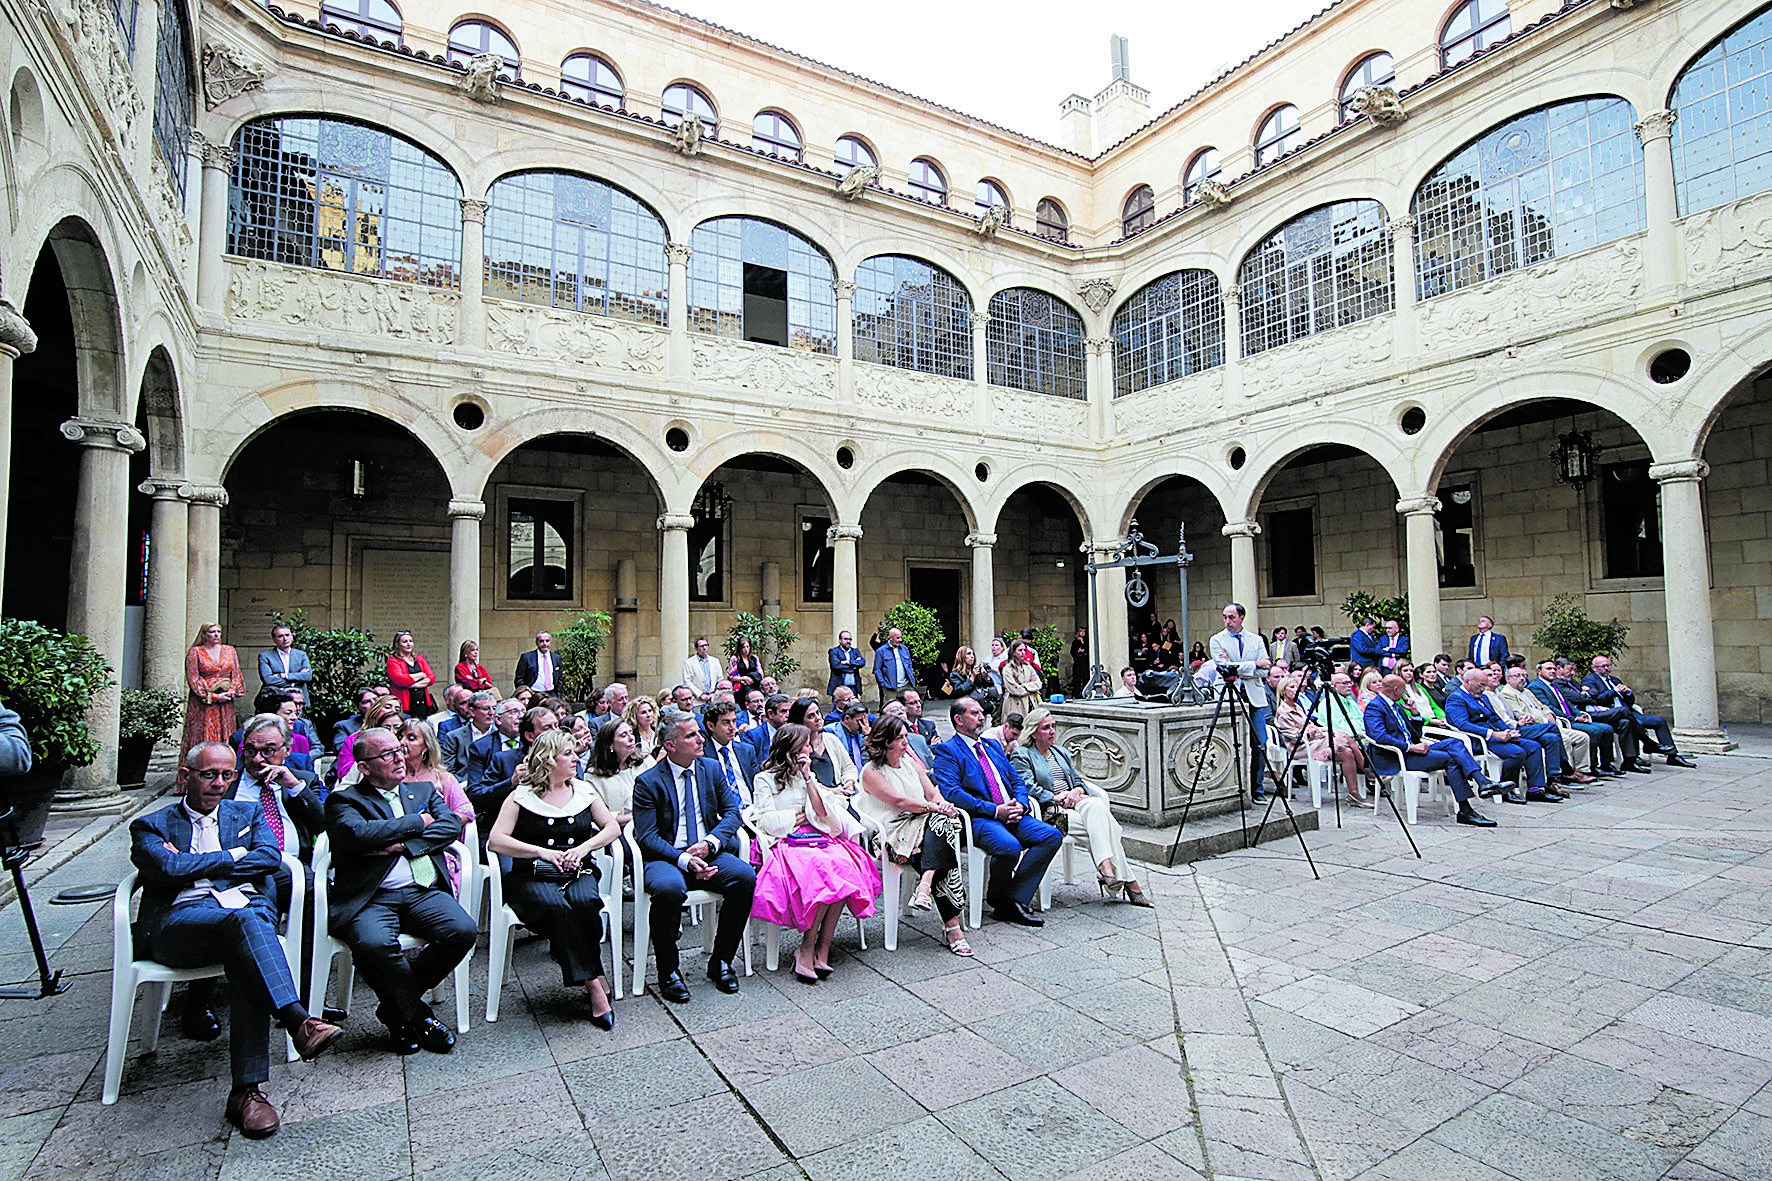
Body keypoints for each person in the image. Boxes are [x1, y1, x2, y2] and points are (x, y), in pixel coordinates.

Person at [129, 744, 341, 1138]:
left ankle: (247, 1093)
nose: (220, 783)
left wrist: (193, 864)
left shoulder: (248, 812)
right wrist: (231, 856)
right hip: (180, 926)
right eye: (210, 774)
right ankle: (297, 1020)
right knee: (246, 926)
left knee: (245, 953)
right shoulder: (151, 825)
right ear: (187, 774)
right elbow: (166, 866)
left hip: (239, 919)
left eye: (227, 775)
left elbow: (267, 858)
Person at [323, 727, 476, 1056]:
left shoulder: (421, 790)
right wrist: (419, 823)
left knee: (462, 930)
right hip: (370, 898)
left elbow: (450, 825)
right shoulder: (344, 800)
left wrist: (400, 844)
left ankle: (394, 1009)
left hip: (421, 889)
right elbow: (358, 833)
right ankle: (413, 1016)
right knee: (375, 944)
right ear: (364, 767)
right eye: (387, 754)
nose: (399, 757)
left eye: (399, 750)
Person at [486, 729, 622, 1027]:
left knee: (585, 901)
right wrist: (540, 852)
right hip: (532, 876)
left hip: (579, 871)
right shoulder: (520, 796)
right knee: (557, 907)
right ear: (548, 761)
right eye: (569, 754)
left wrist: (585, 846)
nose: (576, 758)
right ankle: (594, 983)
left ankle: (588, 968)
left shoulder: (584, 790)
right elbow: (495, 841)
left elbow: (612, 828)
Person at [630, 715, 757, 1002]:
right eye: (691, 736)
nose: (701, 739)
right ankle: (668, 971)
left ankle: (722, 960)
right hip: (667, 857)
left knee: (744, 878)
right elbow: (647, 836)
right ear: (671, 745)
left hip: (708, 851)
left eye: (699, 733)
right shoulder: (648, 782)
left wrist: (710, 844)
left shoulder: (710, 769)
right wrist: (685, 860)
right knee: (668, 889)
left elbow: (732, 813)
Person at [748, 723, 881, 983]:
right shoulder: (764, 779)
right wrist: (796, 818)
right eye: (806, 745)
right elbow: (766, 820)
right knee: (822, 872)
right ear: (793, 748)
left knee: (845, 868)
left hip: (817, 838)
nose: (811, 750)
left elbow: (822, 814)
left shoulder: (807, 777)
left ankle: (823, 948)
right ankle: (807, 949)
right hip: (787, 842)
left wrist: (808, 778)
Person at [931, 696, 1061, 927]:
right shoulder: (947, 751)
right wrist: (994, 811)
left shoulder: (991, 746)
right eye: (975, 713)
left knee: (1051, 836)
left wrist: (1021, 803)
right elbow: (953, 794)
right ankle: (1005, 901)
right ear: (958, 720)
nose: (982, 717)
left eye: (981, 712)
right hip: (980, 819)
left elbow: (1016, 780)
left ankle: (1011, 900)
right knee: (1009, 847)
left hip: (1012, 812)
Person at [1010, 709, 1151, 906]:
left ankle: (1107, 870)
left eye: (1053, 726)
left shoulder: (1060, 752)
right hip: (1051, 813)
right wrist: (1055, 797)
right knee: (1108, 828)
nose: (1052, 731)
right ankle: (1129, 883)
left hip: (1076, 805)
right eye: (1046, 728)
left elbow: (1078, 780)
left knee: (1095, 805)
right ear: (1033, 732)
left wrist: (1076, 790)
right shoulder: (1022, 754)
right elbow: (1026, 787)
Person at [857, 717, 971, 955]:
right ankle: (951, 925)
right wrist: (934, 808)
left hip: (924, 826)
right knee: (942, 837)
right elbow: (899, 802)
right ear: (884, 743)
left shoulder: (910, 763)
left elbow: (932, 794)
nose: (905, 742)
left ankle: (926, 887)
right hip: (893, 838)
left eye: (905, 736)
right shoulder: (871, 772)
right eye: (899, 738)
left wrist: (944, 805)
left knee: (942, 825)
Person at [1363, 675, 1496, 827]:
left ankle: (1481, 784)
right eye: (1404, 689)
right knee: (1452, 760)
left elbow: (1416, 734)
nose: (1405, 692)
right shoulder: (1375, 707)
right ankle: (1468, 807)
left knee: (1455, 743)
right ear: (1396, 689)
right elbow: (1379, 736)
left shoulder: (1397, 706)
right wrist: (1411, 747)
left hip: (1412, 749)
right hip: (1396, 756)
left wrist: (1414, 713)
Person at [1444, 668, 1558, 804]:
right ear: (1468, 682)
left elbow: (1495, 718)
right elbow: (1462, 724)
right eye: (1481, 685)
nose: (1483, 689)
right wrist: (1494, 734)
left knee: (1534, 746)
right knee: (1517, 752)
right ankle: (1507, 789)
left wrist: (1509, 732)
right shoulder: (1456, 698)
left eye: (1485, 686)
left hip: (1497, 735)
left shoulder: (1484, 697)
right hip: (1479, 739)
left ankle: (1535, 789)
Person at [397, 717, 476, 892]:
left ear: (426, 747)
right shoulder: (392, 779)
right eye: (399, 737)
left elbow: (466, 811)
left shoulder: (442, 778)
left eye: (411, 738)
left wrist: (436, 826)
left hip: (437, 844)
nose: (402, 743)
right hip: (398, 844)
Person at [1208, 603, 1273, 798]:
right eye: (1225, 617)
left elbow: (1266, 668)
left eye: (1231, 617)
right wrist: (1253, 664)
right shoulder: (1217, 639)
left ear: (1241, 618)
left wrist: (1239, 668)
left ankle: (1257, 788)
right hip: (1229, 695)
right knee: (1229, 743)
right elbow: (1224, 666)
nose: (1227, 622)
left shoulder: (1256, 640)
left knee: (1260, 743)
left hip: (1254, 696)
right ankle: (1230, 788)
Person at [1583, 656, 1695, 768]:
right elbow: (1597, 699)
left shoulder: (1615, 680)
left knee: (1660, 722)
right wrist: (1614, 691)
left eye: (1609, 665)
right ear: (1594, 668)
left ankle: (1673, 756)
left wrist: (1628, 693)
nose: (1607, 668)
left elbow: (1631, 702)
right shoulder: (1590, 680)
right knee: (1627, 721)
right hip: (1612, 714)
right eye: (1603, 666)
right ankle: (1646, 746)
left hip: (1630, 713)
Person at [1272, 675, 1368, 805]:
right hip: (1302, 747)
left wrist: (1312, 729)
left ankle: (1354, 794)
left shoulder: (1297, 707)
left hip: (1314, 740)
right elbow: (1292, 734)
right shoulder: (1283, 711)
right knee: (1345, 737)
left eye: (1297, 687)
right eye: (1292, 687)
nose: (1296, 690)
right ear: (1283, 691)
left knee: (1347, 753)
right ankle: (1369, 772)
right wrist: (1308, 731)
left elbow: (1309, 724)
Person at [1496, 667, 1598, 785]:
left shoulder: (1527, 691)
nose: (1522, 679)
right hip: (1537, 727)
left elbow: (1543, 706)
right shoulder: (1508, 693)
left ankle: (1581, 771)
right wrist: (1545, 720)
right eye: (1517, 676)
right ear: (1508, 679)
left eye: (1524, 675)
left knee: (1582, 737)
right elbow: (1522, 715)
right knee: (1563, 738)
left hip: (1548, 725)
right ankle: (1564, 774)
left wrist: (1549, 713)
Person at [1529, 660, 1618, 774]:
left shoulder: (1554, 684)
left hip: (1573, 717)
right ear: (1539, 671)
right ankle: (1592, 767)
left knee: (1607, 728)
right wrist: (1574, 719)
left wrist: (1578, 714)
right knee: (1594, 731)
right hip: (1565, 721)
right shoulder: (1536, 687)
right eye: (1548, 669)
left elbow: (1568, 703)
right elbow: (1549, 707)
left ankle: (1606, 764)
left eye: (1554, 669)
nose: (1552, 671)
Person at [183, 623, 244, 759]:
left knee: (227, 732)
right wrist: (213, 696)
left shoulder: (229, 650)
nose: (216, 634)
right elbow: (193, 677)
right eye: (212, 632)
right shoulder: (196, 652)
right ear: (204, 635)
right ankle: (203, 761)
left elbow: (236, 674)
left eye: (218, 631)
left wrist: (232, 692)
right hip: (205, 702)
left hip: (226, 700)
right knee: (205, 731)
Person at [704, 699, 760, 807]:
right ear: (711, 726)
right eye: (726, 723)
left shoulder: (746, 750)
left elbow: (757, 784)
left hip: (751, 810)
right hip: (723, 813)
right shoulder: (702, 754)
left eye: (734, 721)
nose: (732, 728)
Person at [334, 694, 404, 780]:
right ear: (375, 712)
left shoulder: (404, 740)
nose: (392, 711)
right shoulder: (354, 740)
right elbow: (344, 773)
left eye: (397, 709)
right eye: (388, 707)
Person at [586, 719, 642, 825]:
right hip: (619, 831)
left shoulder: (645, 763)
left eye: (631, 733)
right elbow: (599, 816)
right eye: (623, 735)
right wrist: (634, 819)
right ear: (610, 745)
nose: (631, 738)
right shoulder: (594, 777)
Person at [442, 690, 497, 776]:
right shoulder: (454, 737)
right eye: (486, 708)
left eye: (494, 708)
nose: (492, 713)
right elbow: (447, 771)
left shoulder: (500, 734)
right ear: (472, 711)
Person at [385, 632, 437, 716]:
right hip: (406, 707)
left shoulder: (419, 659)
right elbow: (400, 680)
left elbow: (431, 678)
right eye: (405, 642)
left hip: (423, 704)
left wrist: (413, 685)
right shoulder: (393, 661)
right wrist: (421, 675)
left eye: (411, 641)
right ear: (398, 644)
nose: (409, 644)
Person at [257, 624, 311, 694]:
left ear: (292, 636)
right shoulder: (265, 656)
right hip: (276, 697)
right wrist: (294, 683)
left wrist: (285, 676)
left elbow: (308, 676)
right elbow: (268, 679)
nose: (285, 639)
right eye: (280, 636)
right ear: (274, 639)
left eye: (287, 635)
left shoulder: (301, 655)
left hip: (300, 698)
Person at [873, 627, 917, 710]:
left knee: (908, 710)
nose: (900, 640)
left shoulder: (904, 649)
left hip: (905, 685)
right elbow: (877, 669)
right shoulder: (881, 651)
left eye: (901, 637)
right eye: (897, 638)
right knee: (891, 711)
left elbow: (909, 665)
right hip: (890, 688)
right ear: (890, 638)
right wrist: (883, 684)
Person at [1000, 640, 1043, 720]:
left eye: (1024, 650)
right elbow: (1015, 690)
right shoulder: (1007, 669)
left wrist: (1025, 686)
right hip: (1015, 706)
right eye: (1020, 650)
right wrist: (1031, 688)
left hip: (1030, 704)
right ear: (1013, 652)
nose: (1023, 652)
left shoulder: (1028, 666)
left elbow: (1038, 683)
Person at [332, 686, 380, 757]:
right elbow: (341, 750)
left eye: (376, 700)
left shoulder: (390, 722)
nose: (373, 703)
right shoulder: (344, 726)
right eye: (366, 702)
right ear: (357, 708)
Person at [744, 692, 790, 761]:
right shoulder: (753, 736)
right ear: (770, 714)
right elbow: (751, 764)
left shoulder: (794, 733)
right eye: (783, 711)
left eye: (789, 711)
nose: (788, 715)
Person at [513, 631, 561, 695]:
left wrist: (558, 694)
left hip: (551, 693)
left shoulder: (556, 658)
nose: (544, 644)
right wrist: (524, 693)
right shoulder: (526, 657)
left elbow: (559, 679)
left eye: (547, 641)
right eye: (541, 641)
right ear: (536, 643)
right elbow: (519, 678)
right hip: (533, 693)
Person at [679, 636, 723, 702]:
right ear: (696, 649)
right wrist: (700, 694)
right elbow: (687, 681)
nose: (704, 648)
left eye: (706, 645)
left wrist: (714, 693)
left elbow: (720, 679)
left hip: (713, 698)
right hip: (697, 700)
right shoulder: (689, 662)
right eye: (701, 646)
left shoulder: (715, 661)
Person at [827, 629, 867, 696]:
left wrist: (849, 662)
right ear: (840, 640)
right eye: (845, 639)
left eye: (850, 639)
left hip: (853, 687)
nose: (848, 641)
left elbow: (862, 662)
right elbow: (836, 666)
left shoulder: (855, 651)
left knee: (854, 706)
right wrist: (854, 667)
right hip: (839, 687)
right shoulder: (834, 651)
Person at [624, 694, 662, 759]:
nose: (648, 715)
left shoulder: (660, 733)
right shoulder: (631, 735)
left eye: (650, 711)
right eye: (643, 712)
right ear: (634, 716)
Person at [1069, 626, 1089, 694]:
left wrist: (1084, 651)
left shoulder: (1087, 641)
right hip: (1078, 663)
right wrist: (1078, 651)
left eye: (1084, 632)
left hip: (1085, 663)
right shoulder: (1075, 642)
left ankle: (1085, 693)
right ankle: (1076, 693)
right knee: (1077, 679)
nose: (1082, 633)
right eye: (1081, 631)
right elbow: (1072, 652)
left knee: (1085, 678)